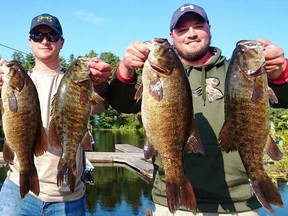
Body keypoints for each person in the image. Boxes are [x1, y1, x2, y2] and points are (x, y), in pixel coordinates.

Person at [109, 3, 287, 216]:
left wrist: (280, 74)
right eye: (182, 30)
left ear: (209, 29)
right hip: (171, 203)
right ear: (172, 36)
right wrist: (126, 69)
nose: (191, 34)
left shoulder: (236, 70)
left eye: (198, 26)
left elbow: (282, 100)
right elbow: (121, 104)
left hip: (239, 205)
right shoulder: (158, 75)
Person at [0, 13, 112, 215]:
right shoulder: (16, 83)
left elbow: (100, 106)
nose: (44, 40)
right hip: (16, 189)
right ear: (29, 41)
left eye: (52, 36)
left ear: (61, 42)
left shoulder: (74, 82)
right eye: (37, 35)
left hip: (68, 195)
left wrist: (101, 83)